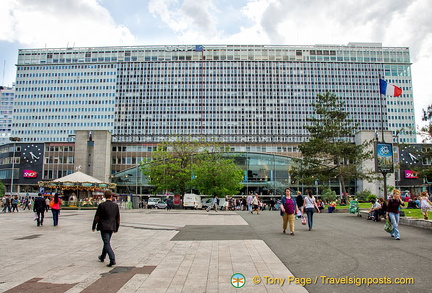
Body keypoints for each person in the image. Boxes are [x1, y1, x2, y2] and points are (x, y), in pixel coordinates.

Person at [92, 190, 120, 267]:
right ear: (111, 196)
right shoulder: (115, 206)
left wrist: (94, 226)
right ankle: (102, 257)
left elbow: (97, 217)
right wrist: (116, 228)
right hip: (111, 226)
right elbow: (117, 218)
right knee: (106, 242)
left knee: (106, 242)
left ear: (104, 196)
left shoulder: (101, 205)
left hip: (103, 226)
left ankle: (112, 259)